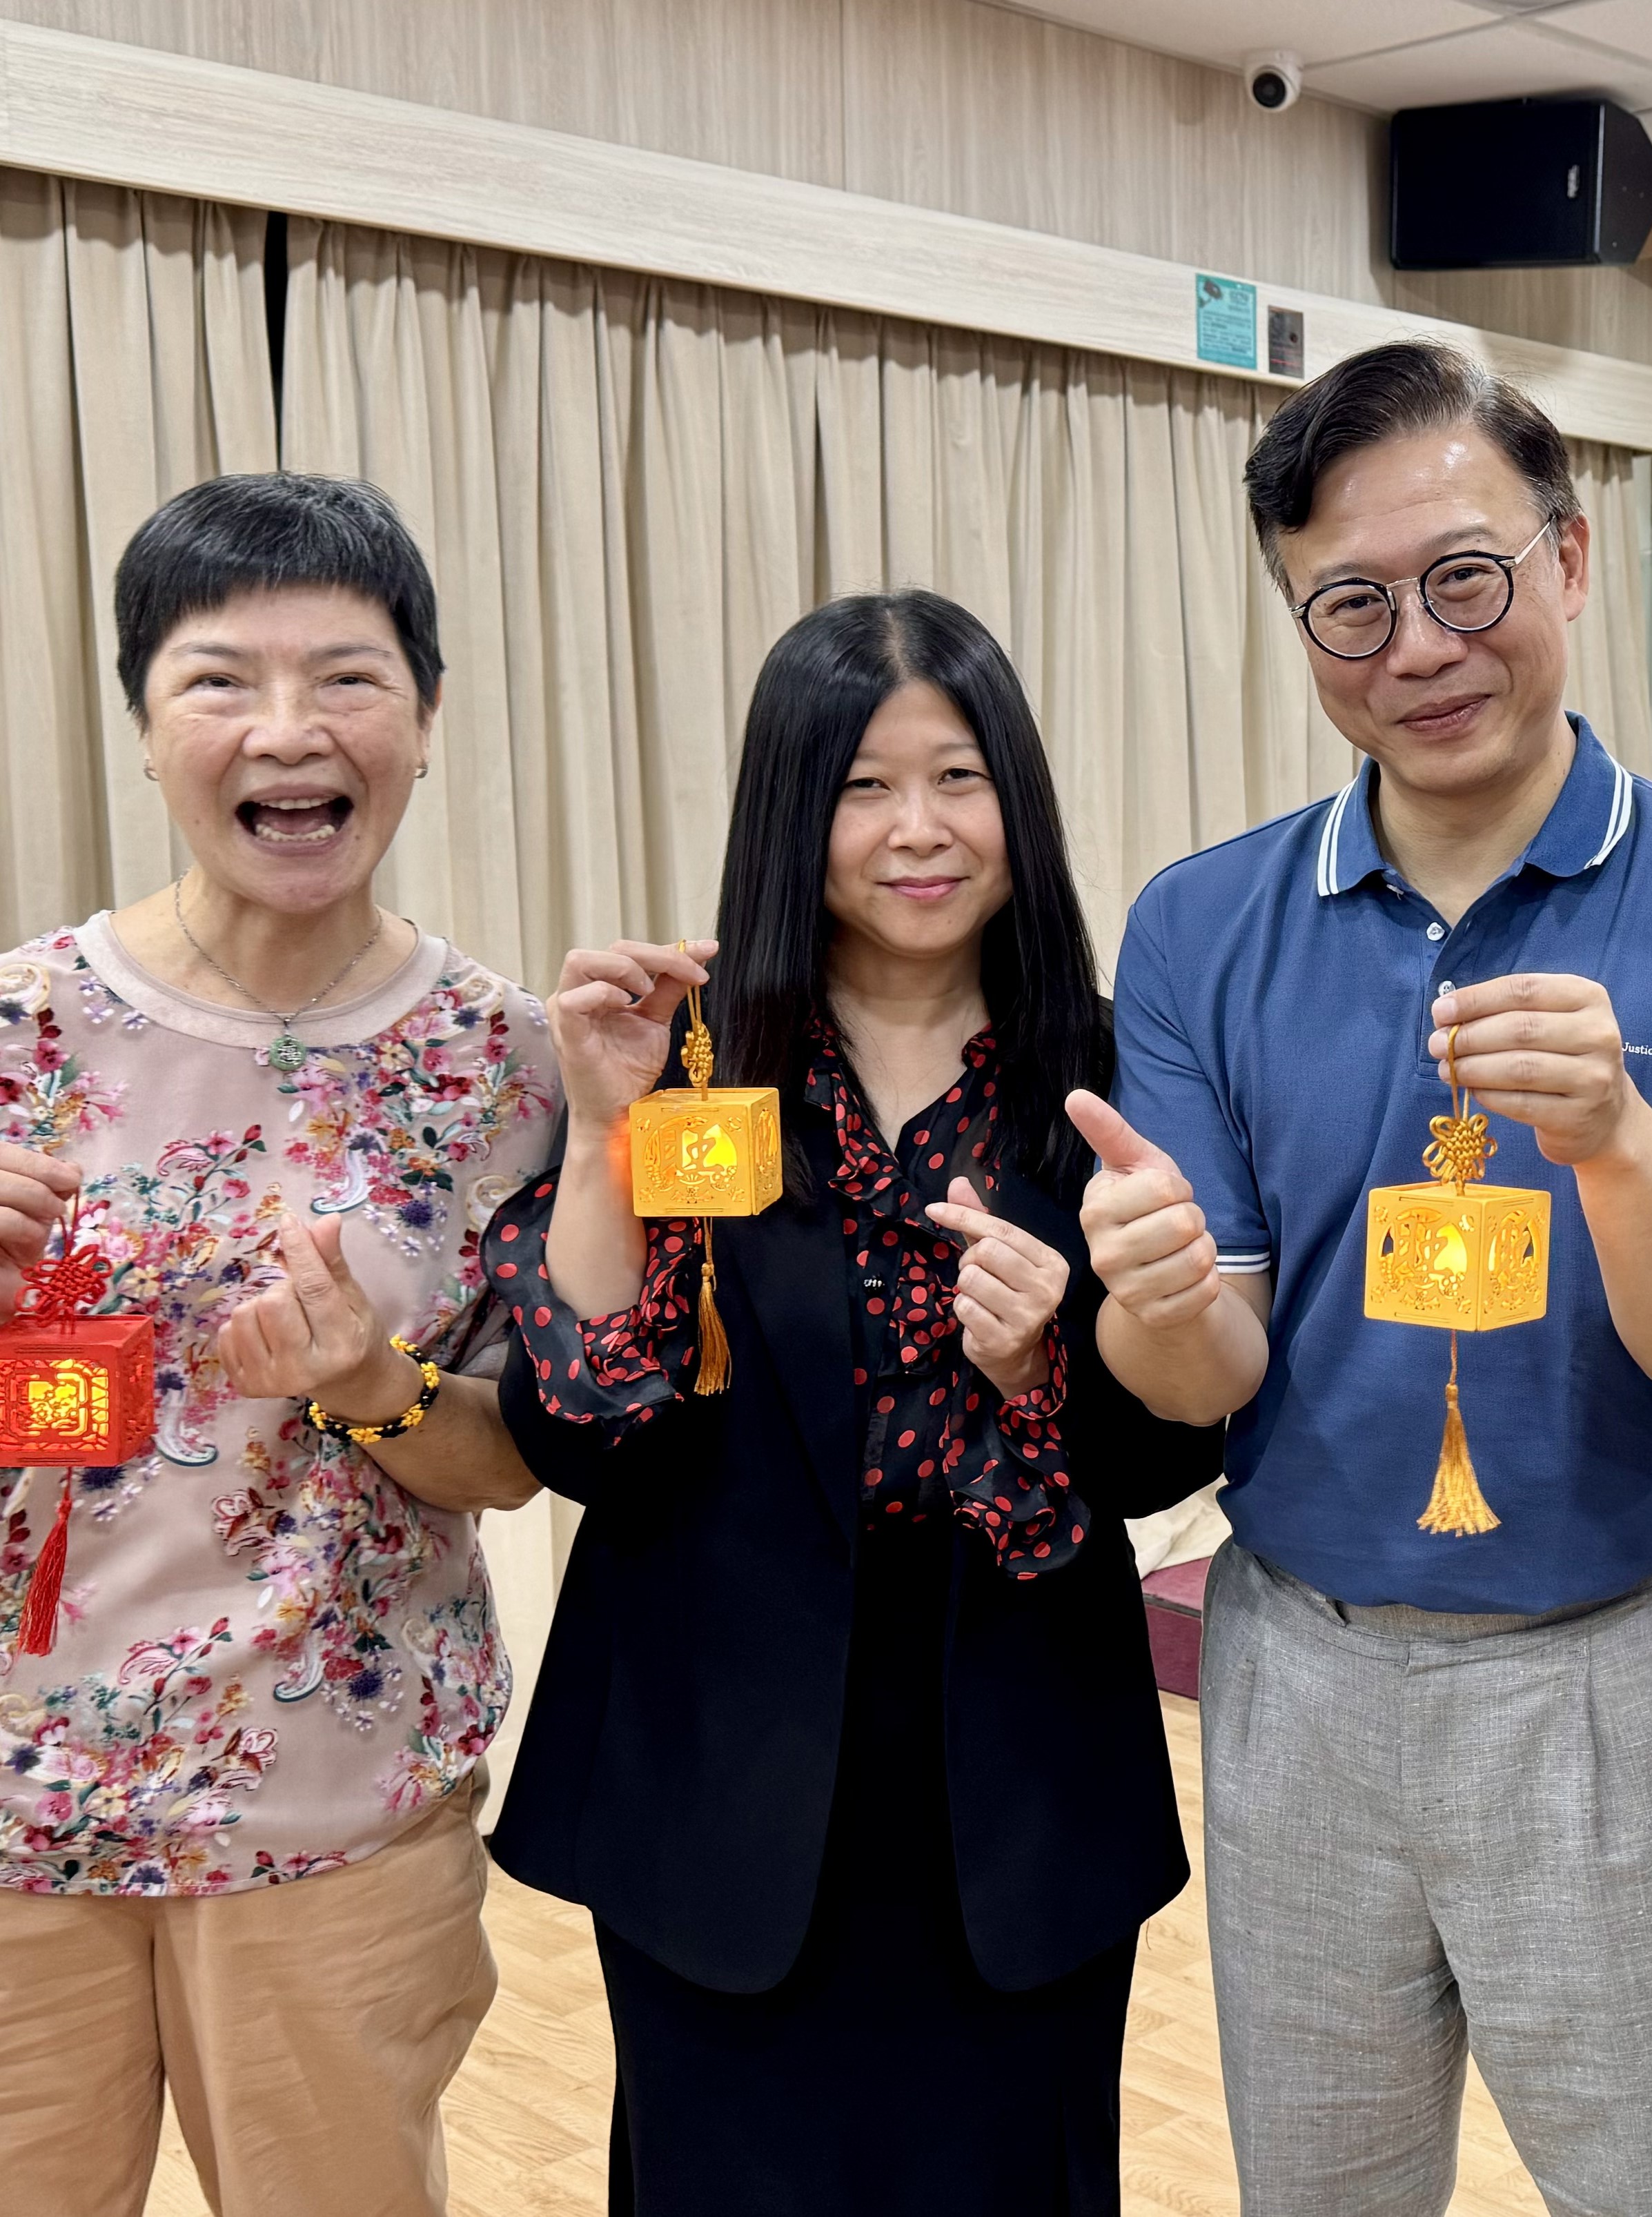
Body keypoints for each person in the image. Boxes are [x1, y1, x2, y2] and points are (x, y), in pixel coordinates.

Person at [1070, 339, 1652, 2216]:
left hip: (1623, 1665)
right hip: (1299, 1662)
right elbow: (1202, 1376)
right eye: (1350, 604)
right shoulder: (1201, 921)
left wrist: (1615, 1137)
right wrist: (1154, 1292)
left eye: (1465, 576)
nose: (1417, 647)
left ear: (1569, 558)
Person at [482, 589, 1221, 2216]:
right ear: (788, 813)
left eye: (959, 777)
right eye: (861, 786)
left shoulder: (1110, 1073)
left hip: (1020, 1781)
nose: (917, 830)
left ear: (1019, 800)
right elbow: (579, 1433)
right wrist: (599, 1136)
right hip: (715, 1772)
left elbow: (1173, 1446)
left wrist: (1045, 1365)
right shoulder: (680, 1057)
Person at [0, 474, 560, 2217]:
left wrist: (370, 1388)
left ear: (427, 715)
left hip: (337, 1814)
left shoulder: (506, 1065)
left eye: (348, 677)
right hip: (15, 1807)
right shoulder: (18, 1028)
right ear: (144, 722)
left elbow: (519, 1453)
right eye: (221, 680)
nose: (288, 730)